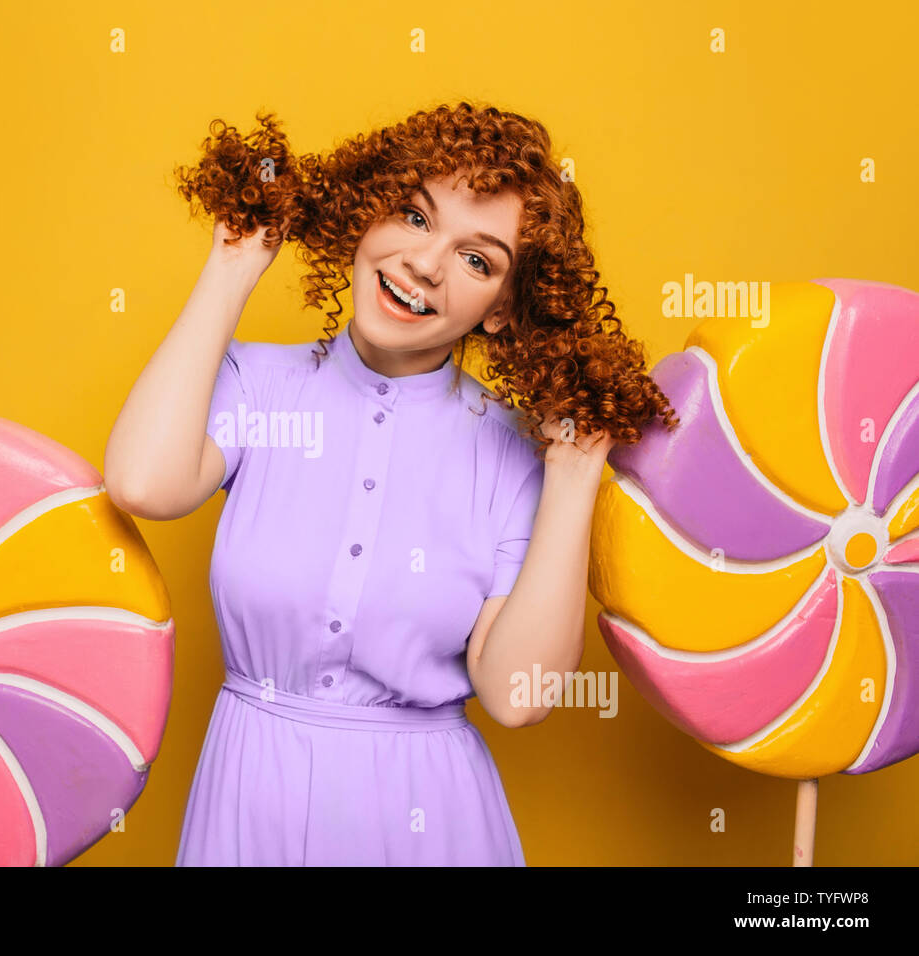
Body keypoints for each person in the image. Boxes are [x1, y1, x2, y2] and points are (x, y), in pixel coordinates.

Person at [104, 102, 679, 865]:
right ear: (365, 210)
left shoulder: (513, 454)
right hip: (250, 799)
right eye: (413, 215)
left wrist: (574, 475)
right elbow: (143, 482)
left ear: (503, 309)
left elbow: (519, 694)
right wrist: (234, 264)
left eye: (477, 260)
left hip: (430, 820)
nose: (426, 264)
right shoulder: (257, 384)